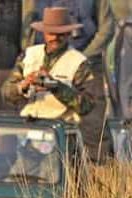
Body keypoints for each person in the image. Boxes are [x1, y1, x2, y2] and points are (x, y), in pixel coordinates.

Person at [23, 0, 116, 162]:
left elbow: (107, 28)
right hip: (45, 64)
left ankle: (96, 174)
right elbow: (27, 29)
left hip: (89, 63)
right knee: (40, 122)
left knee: (93, 126)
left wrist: (79, 59)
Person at [2, 7, 96, 124]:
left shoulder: (79, 62)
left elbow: (87, 106)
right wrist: (24, 86)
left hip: (61, 129)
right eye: (51, 33)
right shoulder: (29, 54)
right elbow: (5, 93)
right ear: (44, 33)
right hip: (28, 127)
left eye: (60, 34)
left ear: (68, 34)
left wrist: (56, 86)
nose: (55, 38)